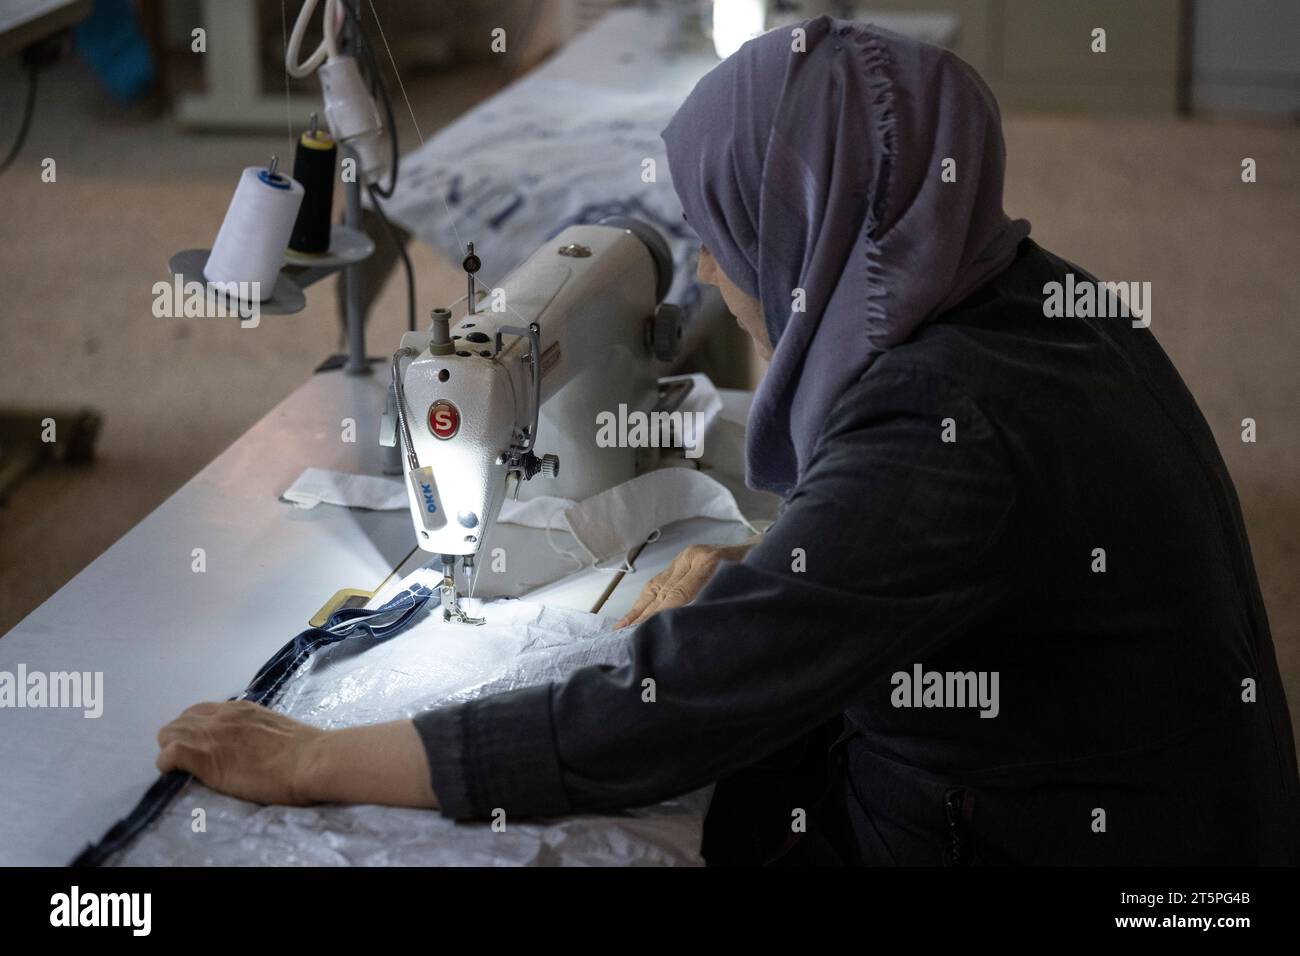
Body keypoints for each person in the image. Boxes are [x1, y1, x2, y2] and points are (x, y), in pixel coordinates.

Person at [157, 18, 1300, 865]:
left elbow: (669, 706)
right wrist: (781, 566)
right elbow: (950, 559)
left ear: (806, 220)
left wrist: (310, 757)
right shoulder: (1019, 297)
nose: (708, 271)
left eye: (725, 234)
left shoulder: (941, 432)